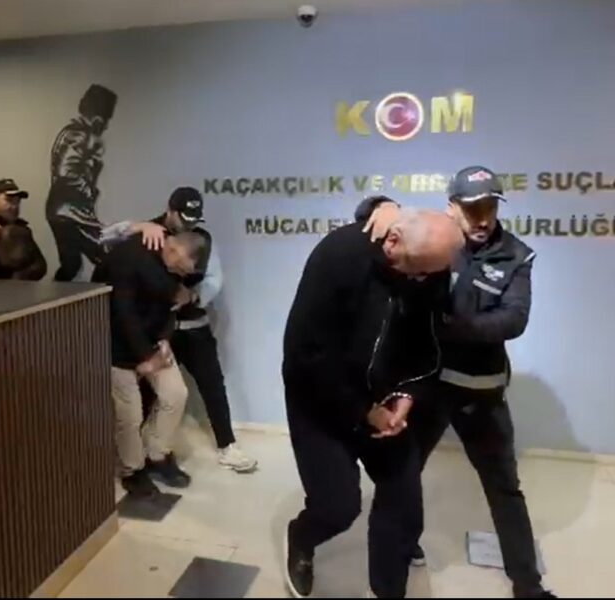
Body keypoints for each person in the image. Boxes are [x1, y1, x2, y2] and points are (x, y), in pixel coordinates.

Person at [359, 167, 556, 599]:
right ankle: (400, 554)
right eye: (471, 208)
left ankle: (528, 584)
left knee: (504, 488)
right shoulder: (436, 243)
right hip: (427, 389)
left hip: (483, 393)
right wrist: (378, 206)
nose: (481, 218)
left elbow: (514, 319)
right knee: (403, 479)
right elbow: (381, 243)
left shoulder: (516, 255)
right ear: (452, 208)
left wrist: (452, 326)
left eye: (489, 207)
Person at [282, 204, 464, 599]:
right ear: (392, 241)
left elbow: (426, 339)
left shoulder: (428, 266)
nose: (420, 279)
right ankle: (301, 535)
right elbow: (305, 355)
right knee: (338, 506)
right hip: (319, 398)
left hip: (382, 395)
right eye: (415, 269)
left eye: (430, 273)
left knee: (403, 494)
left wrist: (409, 393)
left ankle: (386, 590)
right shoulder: (339, 255)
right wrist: (364, 410)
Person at [101, 187, 258, 473]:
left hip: (189, 325)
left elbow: (213, 278)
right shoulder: (146, 237)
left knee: (204, 386)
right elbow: (104, 240)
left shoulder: (201, 240)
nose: (189, 225)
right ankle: (140, 459)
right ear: (170, 211)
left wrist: (193, 296)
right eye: (185, 219)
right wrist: (135, 226)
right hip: (148, 331)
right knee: (141, 401)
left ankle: (222, 446)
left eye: (195, 220)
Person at [92, 229, 209, 497]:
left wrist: (165, 340)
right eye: (182, 268)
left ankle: (156, 453)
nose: (181, 275)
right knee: (129, 414)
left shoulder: (172, 265)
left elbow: (171, 306)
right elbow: (123, 314)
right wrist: (146, 357)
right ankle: (132, 469)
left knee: (175, 394)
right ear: (174, 250)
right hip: (116, 345)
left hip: (154, 343)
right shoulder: (129, 260)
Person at [46, 84, 118, 281]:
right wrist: (88, 191)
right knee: (106, 255)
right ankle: (100, 297)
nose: (106, 126)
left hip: (61, 210)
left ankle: (55, 296)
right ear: (98, 117)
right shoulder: (78, 135)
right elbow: (66, 172)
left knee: (71, 265)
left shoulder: (75, 133)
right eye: (106, 119)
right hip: (72, 212)